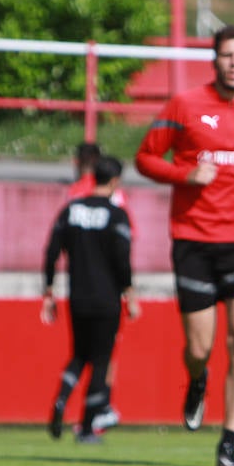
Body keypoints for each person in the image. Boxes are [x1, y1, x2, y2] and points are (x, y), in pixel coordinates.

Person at [135, 25, 234, 466]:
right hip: (194, 239)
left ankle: (229, 440)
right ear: (214, 60)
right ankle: (197, 378)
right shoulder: (184, 105)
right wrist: (183, 175)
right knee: (200, 346)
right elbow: (146, 157)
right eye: (226, 55)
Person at [42, 155, 140, 443]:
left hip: (78, 297)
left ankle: (61, 399)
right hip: (106, 298)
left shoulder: (70, 210)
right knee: (101, 361)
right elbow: (123, 259)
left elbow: (51, 251)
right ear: (114, 181)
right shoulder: (116, 214)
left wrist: (49, 290)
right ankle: (86, 427)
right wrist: (130, 294)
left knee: (79, 355)